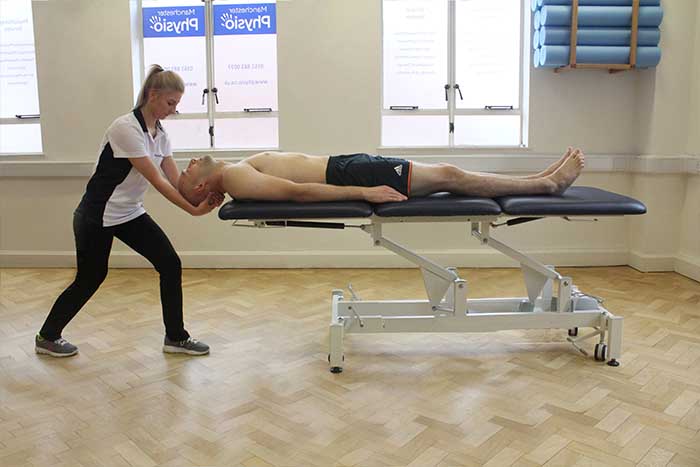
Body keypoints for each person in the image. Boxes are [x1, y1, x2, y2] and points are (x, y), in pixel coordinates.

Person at [36, 65, 224, 358]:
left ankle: (175, 337)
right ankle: (47, 336)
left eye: (176, 104)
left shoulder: (159, 134)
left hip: (128, 212)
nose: (173, 110)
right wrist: (194, 211)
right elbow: (158, 181)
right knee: (91, 277)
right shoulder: (125, 128)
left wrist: (203, 194)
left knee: (169, 263)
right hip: (97, 214)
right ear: (152, 95)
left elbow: (176, 180)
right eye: (170, 103)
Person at [177, 147, 585, 206]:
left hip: (346, 166)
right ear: (199, 184)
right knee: (449, 174)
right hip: (346, 173)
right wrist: (364, 191)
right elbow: (297, 192)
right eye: (185, 171)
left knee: (448, 175)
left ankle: (539, 179)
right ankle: (546, 184)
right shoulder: (233, 178)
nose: (189, 162)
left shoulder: (233, 170)